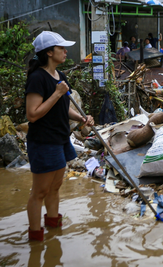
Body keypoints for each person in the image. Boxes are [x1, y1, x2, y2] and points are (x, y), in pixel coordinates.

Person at [25, 31, 94, 241]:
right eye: (61, 48)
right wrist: (56, 93)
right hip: (44, 141)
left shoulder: (60, 77)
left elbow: (63, 108)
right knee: (40, 191)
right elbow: (33, 114)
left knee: (55, 187)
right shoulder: (37, 78)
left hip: (61, 138)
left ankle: (54, 232)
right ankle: (36, 239)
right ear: (48, 52)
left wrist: (81, 118)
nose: (66, 51)